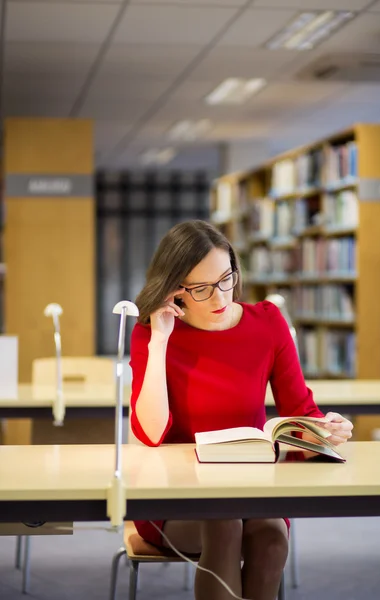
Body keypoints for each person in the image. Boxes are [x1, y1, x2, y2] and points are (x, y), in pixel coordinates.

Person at [129, 219, 353, 600]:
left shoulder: (267, 323)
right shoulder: (152, 333)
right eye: (201, 288)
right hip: (175, 497)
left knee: (270, 537)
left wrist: (326, 429)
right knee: (224, 523)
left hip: (254, 484)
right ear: (175, 289)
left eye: (226, 279)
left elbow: (300, 408)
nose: (219, 298)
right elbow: (150, 433)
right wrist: (161, 341)